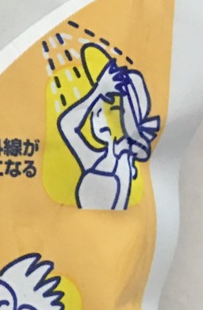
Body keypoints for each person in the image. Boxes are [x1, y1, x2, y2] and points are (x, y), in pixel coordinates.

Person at [58, 52, 161, 211]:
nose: (100, 117)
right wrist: (98, 91)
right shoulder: (93, 159)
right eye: (97, 110)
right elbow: (66, 125)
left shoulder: (126, 161)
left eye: (112, 110)